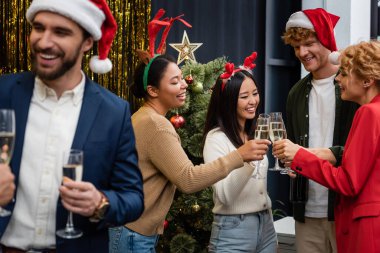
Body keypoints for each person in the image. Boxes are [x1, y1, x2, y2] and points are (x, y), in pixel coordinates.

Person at [0, 0, 144, 252]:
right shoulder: (3, 92)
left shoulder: (113, 112)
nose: (44, 42)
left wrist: (101, 203)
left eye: (61, 32)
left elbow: (133, 197)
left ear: (87, 41)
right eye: (38, 27)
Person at [108, 52, 271, 252]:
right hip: (132, 232)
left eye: (182, 79)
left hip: (129, 227)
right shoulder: (156, 125)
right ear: (153, 90)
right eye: (175, 82)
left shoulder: (144, 118)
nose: (185, 84)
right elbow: (188, 179)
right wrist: (239, 156)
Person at [273, 40, 380, 253]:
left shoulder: (369, 113)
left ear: (367, 80)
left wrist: (300, 156)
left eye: (345, 73)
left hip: (367, 227)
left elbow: (348, 182)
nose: (338, 78)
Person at [281, 8, 358, 253]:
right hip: (307, 211)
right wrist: (289, 161)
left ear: (327, 40)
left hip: (346, 209)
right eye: (296, 46)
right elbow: (293, 147)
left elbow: (363, 153)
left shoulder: (354, 90)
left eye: (309, 43)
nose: (302, 53)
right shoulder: (295, 93)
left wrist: (311, 154)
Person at [202, 53, 277, 252]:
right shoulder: (216, 139)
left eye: (255, 93)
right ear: (228, 101)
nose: (253, 101)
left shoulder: (253, 133)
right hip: (233, 230)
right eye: (244, 97)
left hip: (266, 225)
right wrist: (246, 159)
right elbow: (225, 196)